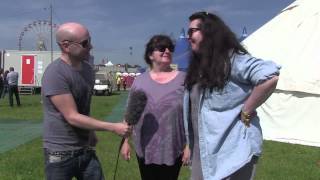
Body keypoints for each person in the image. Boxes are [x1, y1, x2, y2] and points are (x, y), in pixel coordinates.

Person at [183, 12, 280, 180]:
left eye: (192, 31)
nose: (188, 36)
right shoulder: (198, 69)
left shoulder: (232, 60)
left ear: (208, 32)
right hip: (204, 150)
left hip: (232, 152)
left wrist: (246, 111)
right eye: (188, 32)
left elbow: (269, 76)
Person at [41, 22, 131, 180]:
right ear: (66, 46)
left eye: (89, 40)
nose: (90, 46)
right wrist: (113, 127)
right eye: (85, 43)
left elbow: (83, 107)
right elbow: (72, 116)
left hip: (85, 149)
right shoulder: (55, 73)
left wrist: (90, 132)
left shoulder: (88, 70)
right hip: (59, 153)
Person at [121, 35, 190, 180]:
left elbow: (192, 114)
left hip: (173, 148)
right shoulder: (139, 81)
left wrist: (189, 145)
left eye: (170, 48)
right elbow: (130, 114)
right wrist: (125, 142)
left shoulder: (184, 79)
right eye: (161, 48)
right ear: (150, 55)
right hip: (145, 148)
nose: (167, 51)